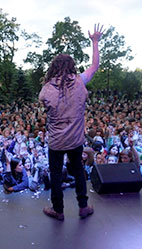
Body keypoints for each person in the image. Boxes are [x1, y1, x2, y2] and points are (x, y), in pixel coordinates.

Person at [38, 23, 104, 220]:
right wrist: (94, 42)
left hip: (57, 141)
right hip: (75, 140)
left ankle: (58, 211)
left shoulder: (46, 89)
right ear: (72, 66)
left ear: (53, 67)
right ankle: (83, 207)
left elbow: (45, 109)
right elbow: (95, 66)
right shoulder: (79, 81)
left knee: (56, 176)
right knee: (78, 170)